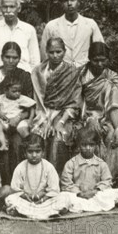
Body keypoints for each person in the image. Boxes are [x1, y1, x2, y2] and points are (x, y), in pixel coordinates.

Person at [30, 37, 82, 174]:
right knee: (37, 137)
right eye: (52, 52)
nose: (55, 55)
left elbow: (74, 103)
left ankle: (57, 180)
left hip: (65, 115)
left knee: (58, 138)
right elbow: (37, 100)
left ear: (64, 52)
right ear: (46, 52)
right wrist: (45, 120)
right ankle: (37, 180)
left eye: (58, 52)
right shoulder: (38, 71)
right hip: (42, 114)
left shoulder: (71, 72)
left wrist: (60, 121)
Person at [0, 42, 33, 182]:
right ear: (1, 57)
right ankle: (3, 185)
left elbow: (29, 107)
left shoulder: (24, 76)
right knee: (0, 144)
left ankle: (18, 184)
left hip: (18, 122)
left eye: (15, 57)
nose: (11, 61)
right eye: (7, 57)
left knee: (17, 143)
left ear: (19, 58)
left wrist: (18, 117)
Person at [78, 42, 118, 178]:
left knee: (112, 134)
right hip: (85, 115)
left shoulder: (112, 77)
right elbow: (77, 98)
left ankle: (111, 177)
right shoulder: (81, 74)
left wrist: (117, 127)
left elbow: (115, 103)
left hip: (109, 116)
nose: (99, 64)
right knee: (90, 130)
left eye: (102, 60)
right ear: (89, 59)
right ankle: (88, 177)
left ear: (107, 60)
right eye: (95, 60)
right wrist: (87, 117)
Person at [4, 134, 71, 219]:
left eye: (37, 151)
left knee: (64, 197)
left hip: (45, 201)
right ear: (25, 153)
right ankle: (48, 213)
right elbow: (15, 188)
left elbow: (54, 189)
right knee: (10, 199)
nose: (34, 155)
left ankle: (23, 212)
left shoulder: (48, 167)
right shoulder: (20, 167)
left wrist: (43, 198)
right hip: (26, 201)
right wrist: (25, 196)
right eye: (30, 152)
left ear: (43, 152)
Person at [59, 128, 118, 212]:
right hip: (78, 197)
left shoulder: (101, 164)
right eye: (84, 145)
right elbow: (66, 183)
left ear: (96, 145)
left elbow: (107, 181)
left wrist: (95, 191)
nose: (88, 148)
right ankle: (82, 205)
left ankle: (85, 206)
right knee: (63, 196)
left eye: (91, 145)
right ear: (78, 145)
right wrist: (79, 193)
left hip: (95, 196)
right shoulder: (71, 163)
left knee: (116, 192)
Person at [40, 0, 104, 67]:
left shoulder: (90, 24)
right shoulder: (51, 26)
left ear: (78, 2)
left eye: (73, 0)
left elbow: (100, 50)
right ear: (61, 3)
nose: (69, 3)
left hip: (84, 72)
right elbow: (44, 54)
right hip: (60, 73)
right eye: (65, 1)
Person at [0, 76, 36, 151]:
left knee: (23, 128)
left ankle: (30, 145)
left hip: (18, 121)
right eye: (14, 91)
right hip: (6, 121)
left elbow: (32, 107)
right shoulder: (0, 98)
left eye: (19, 91)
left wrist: (30, 119)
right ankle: (3, 144)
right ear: (5, 90)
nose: (17, 93)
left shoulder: (22, 98)